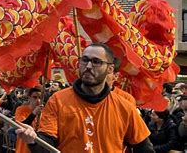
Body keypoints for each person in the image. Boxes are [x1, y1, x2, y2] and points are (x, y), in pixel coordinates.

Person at [16, 43, 155, 152]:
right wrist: (33, 140)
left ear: (110, 69)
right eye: (85, 60)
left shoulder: (124, 106)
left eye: (96, 62)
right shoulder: (58, 100)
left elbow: (144, 148)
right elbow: (47, 145)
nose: (88, 66)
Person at [14, 87, 42, 153]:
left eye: (40, 97)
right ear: (29, 97)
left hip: (37, 147)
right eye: (35, 97)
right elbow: (21, 125)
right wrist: (34, 113)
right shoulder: (21, 109)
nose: (38, 100)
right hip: (23, 147)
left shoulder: (44, 112)